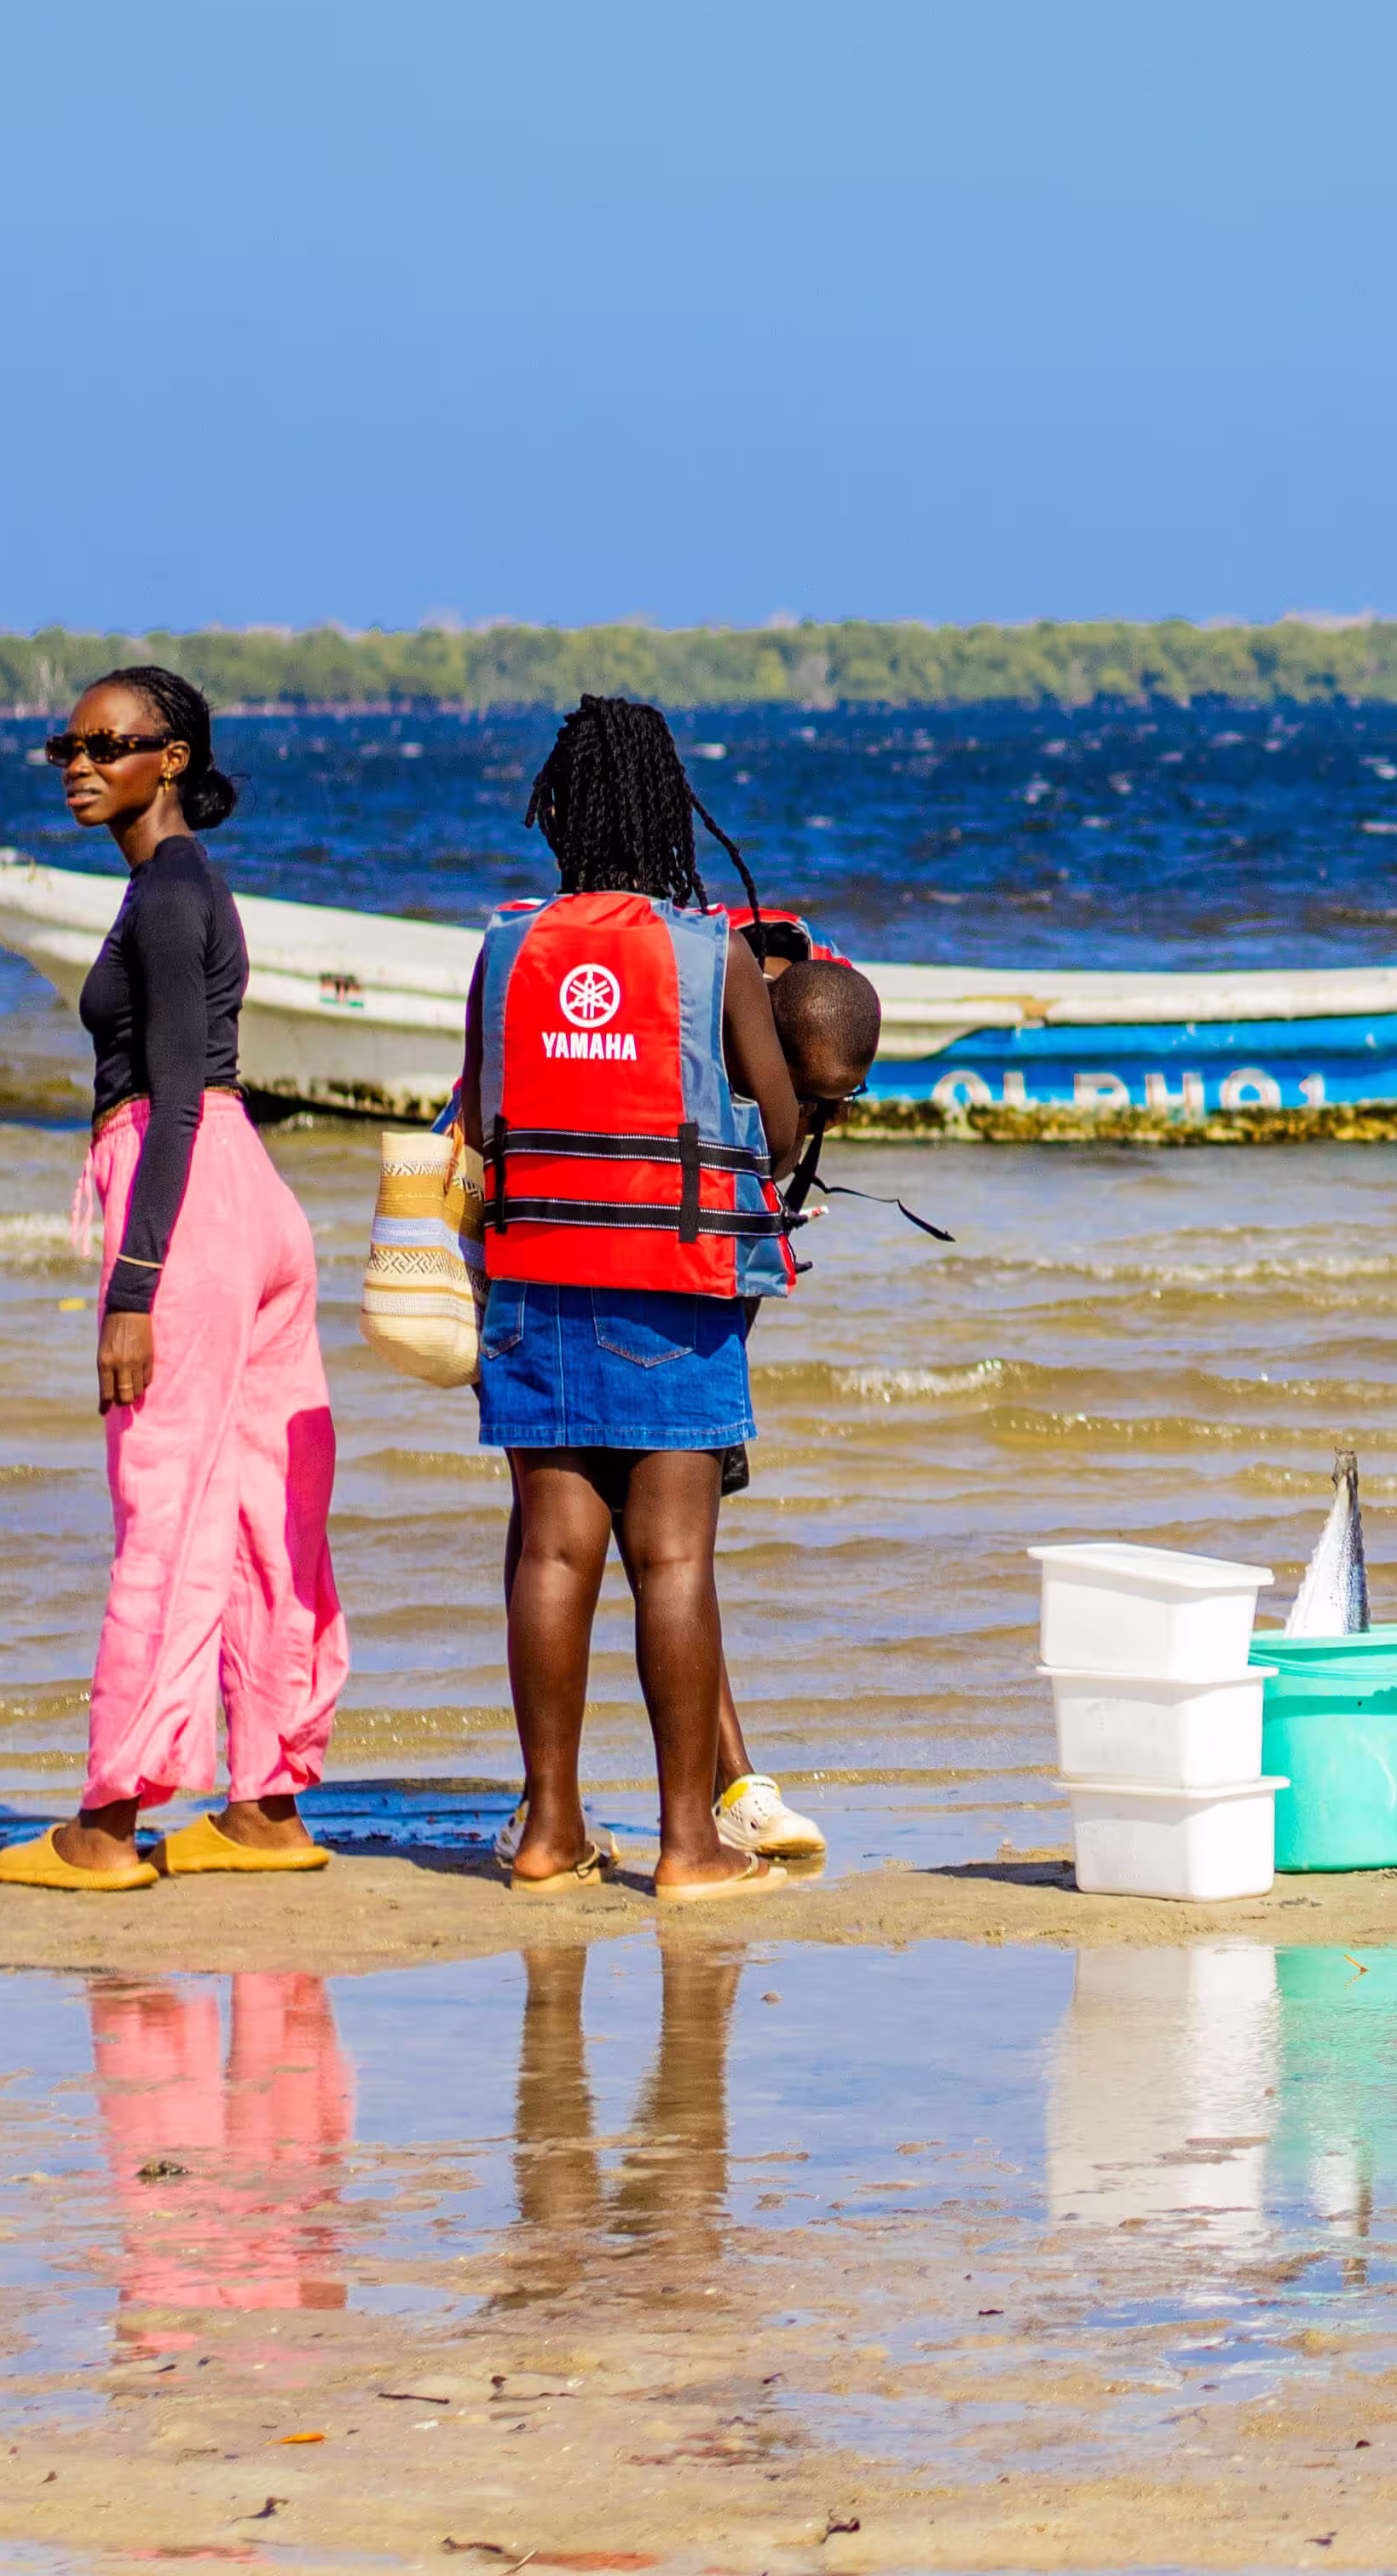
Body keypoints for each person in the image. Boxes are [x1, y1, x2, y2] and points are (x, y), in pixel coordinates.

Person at [0, 667, 349, 1893]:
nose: (80, 765)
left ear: (173, 757)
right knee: (259, 1513)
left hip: (186, 1200)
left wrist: (134, 1286)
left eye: (108, 743)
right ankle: (266, 1807)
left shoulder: (170, 893)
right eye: (67, 747)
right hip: (248, 1205)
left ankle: (107, 1823)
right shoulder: (175, 887)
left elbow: (178, 1096)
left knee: (163, 1508)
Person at [459, 695, 817, 1903]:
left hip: (530, 1288)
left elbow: (477, 1114)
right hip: (672, 1285)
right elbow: (776, 1129)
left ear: (561, 813)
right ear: (670, 811)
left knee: (553, 1554)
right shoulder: (709, 954)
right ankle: (688, 1845)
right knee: (672, 1561)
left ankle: (550, 1830)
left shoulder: (507, 949)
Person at [696, 944, 880, 1863]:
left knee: (677, 1554)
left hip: (707, 1312)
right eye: (810, 1101)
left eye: (839, 1106)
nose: (818, 1123)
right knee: (631, 1549)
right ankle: (727, 1788)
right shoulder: (710, 1060)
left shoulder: (789, 1091)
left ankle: (725, 1788)